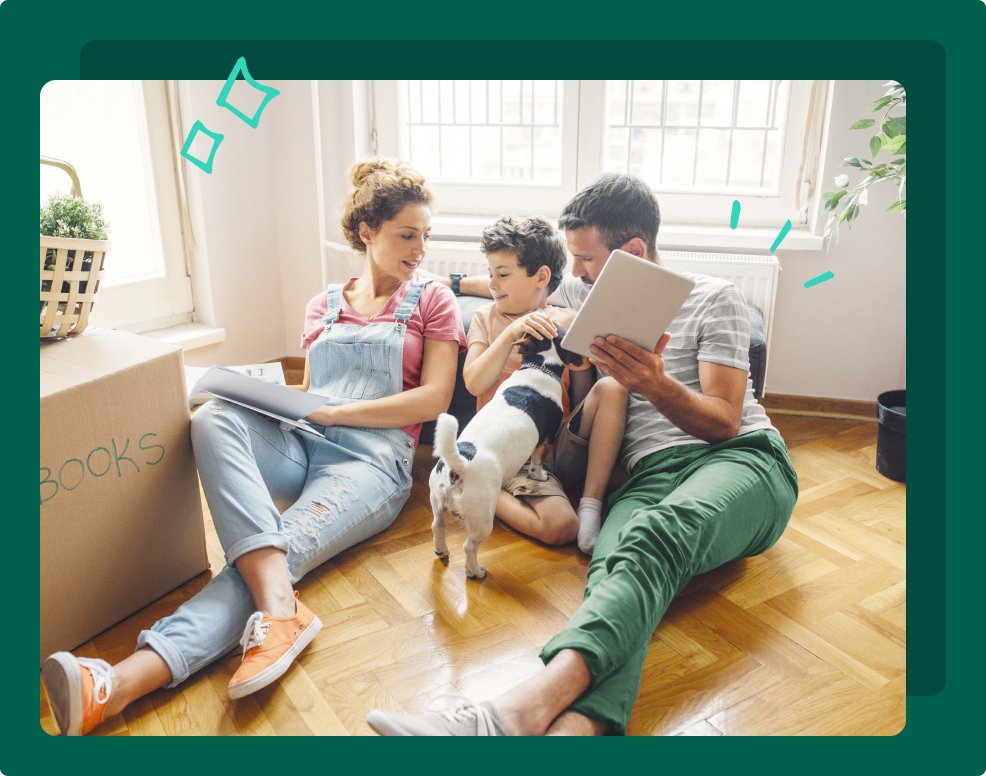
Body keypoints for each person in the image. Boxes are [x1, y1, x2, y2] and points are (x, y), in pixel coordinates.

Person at [41, 158, 466, 736]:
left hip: (372, 463)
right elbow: (311, 391)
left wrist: (332, 412)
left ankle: (116, 686)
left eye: (425, 236)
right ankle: (281, 611)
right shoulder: (325, 304)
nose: (420, 248)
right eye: (407, 234)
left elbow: (433, 400)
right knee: (214, 418)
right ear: (368, 232)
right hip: (306, 439)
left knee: (270, 555)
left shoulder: (432, 299)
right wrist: (262, 394)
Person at [366, 172, 799, 736]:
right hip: (645, 477)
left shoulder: (715, 298)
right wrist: (445, 281)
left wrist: (655, 384)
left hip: (741, 462)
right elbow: (513, 286)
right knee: (612, 576)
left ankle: (504, 716)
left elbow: (722, 422)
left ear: (634, 252)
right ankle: (576, 735)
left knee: (650, 537)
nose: (575, 275)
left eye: (586, 259)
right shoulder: (577, 295)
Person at [463, 215, 627, 550]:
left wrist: (582, 363)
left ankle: (591, 505)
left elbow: (581, 400)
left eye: (503, 274)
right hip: (509, 451)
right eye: (491, 274)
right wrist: (512, 332)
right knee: (560, 527)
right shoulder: (487, 319)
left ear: (541, 277)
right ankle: (471, 486)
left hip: (556, 444)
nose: (492, 284)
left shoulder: (567, 321)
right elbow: (475, 383)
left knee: (612, 388)